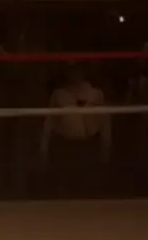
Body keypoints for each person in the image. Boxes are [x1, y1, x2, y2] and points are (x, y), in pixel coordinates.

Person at [39, 65, 111, 197]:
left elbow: (104, 122)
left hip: (89, 146)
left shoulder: (95, 94)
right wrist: (44, 146)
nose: (74, 74)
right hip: (67, 147)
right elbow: (49, 122)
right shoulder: (59, 94)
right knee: (66, 187)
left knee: (89, 187)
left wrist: (106, 145)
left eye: (77, 69)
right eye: (71, 70)